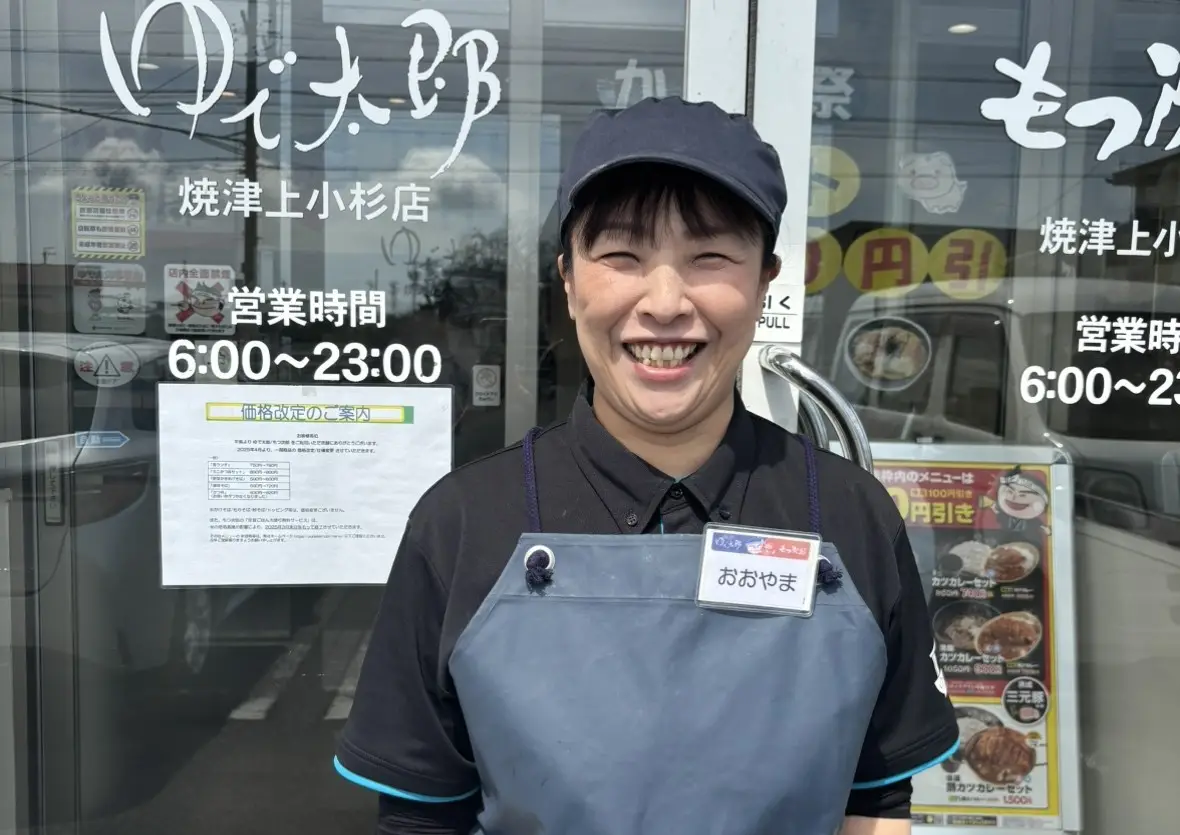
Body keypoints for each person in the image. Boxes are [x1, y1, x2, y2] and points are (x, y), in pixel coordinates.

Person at [334, 96, 958, 835]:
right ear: (569, 280)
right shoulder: (462, 523)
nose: (665, 303)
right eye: (621, 256)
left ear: (765, 282)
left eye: (710, 257)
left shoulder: (850, 515)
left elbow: (875, 798)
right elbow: (420, 813)